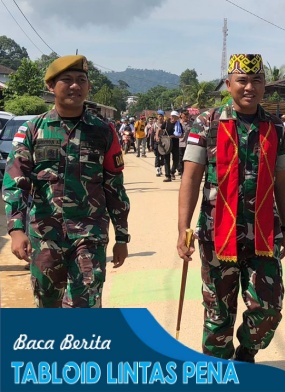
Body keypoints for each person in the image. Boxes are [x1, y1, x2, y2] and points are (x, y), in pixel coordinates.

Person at [177, 53, 285, 362]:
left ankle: (246, 353)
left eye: (257, 81)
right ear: (229, 84)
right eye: (242, 81)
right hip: (217, 236)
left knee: (267, 310)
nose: (249, 88)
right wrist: (182, 229)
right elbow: (191, 177)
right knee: (218, 316)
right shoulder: (208, 122)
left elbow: (283, 180)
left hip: (263, 237)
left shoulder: (275, 126)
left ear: (265, 86)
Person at [2, 54, 130, 308]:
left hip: (89, 236)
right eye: (67, 80)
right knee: (49, 309)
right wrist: (16, 230)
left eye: (81, 80)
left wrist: (122, 237)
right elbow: (16, 182)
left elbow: (114, 185)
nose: (75, 86)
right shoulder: (33, 130)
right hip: (45, 237)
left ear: (88, 87)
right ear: (51, 87)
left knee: (85, 308)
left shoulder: (103, 131)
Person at [158, 110, 182, 182]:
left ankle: (172, 172)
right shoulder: (166, 123)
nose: (174, 118)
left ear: (177, 118)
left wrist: (175, 136)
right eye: (173, 116)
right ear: (171, 116)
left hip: (175, 144)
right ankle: (168, 176)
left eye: (176, 117)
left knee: (176, 160)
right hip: (166, 144)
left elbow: (182, 135)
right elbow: (159, 129)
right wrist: (157, 136)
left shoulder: (179, 124)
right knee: (166, 160)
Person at [153, 110, 166, 176]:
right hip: (157, 142)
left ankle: (161, 167)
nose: (160, 117)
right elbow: (152, 135)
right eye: (159, 116)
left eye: (161, 116)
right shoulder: (155, 125)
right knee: (157, 155)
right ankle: (157, 169)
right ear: (157, 116)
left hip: (164, 142)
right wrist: (151, 144)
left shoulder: (166, 124)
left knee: (163, 156)